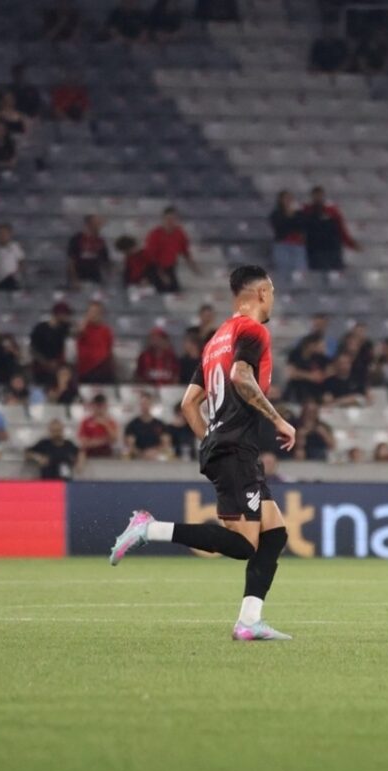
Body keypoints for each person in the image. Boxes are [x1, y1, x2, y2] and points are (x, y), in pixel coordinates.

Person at [108, 265, 297, 641]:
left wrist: (210, 438)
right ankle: (150, 527)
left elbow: (188, 404)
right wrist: (279, 420)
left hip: (226, 446)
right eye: (272, 291)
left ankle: (248, 622)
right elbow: (242, 377)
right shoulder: (253, 330)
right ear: (261, 293)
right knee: (245, 545)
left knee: (274, 534)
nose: (273, 298)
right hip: (236, 448)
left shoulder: (216, 341)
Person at [301, 186, 360, 272]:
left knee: (335, 274)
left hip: (333, 249)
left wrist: (351, 244)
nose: (318, 198)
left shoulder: (332, 211)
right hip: (315, 250)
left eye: (320, 195)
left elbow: (341, 230)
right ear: (312, 197)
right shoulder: (306, 211)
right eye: (316, 195)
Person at [144, 206, 199, 292]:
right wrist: (161, 275)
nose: (171, 221)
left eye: (174, 219)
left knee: (176, 290)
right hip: (155, 269)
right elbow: (150, 258)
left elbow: (185, 252)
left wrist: (194, 268)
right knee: (164, 289)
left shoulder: (179, 233)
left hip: (170, 267)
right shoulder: (155, 235)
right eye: (168, 219)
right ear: (163, 219)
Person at [30, 302, 73, 387]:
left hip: (57, 369)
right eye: (65, 314)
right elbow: (33, 349)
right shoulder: (40, 328)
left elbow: (77, 332)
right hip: (40, 368)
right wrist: (46, 363)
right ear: (58, 314)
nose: (67, 317)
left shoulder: (64, 328)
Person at [269, 190, 307, 280]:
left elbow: (301, 226)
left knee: (300, 271)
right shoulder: (276, 214)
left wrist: (293, 214)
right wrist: (289, 215)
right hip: (282, 245)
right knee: (283, 271)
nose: (288, 201)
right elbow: (279, 227)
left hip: (297, 245)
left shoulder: (299, 214)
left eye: (290, 198)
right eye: (286, 198)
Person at [77, 302, 116, 384]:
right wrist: (85, 321)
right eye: (91, 312)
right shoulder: (84, 328)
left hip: (102, 369)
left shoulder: (106, 330)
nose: (93, 314)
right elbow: (78, 333)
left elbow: (109, 350)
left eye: (96, 312)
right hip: (86, 370)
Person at [67, 215, 110, 287]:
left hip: (95, 280)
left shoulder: (100, 240)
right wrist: (74, 280)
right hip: (79, 280)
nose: (100, 226)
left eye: (99, 224)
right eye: (97, 224)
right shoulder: (76, 239)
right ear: (89, 224)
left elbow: (105, 261)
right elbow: (71, 262)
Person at [124, 392, 170, 459]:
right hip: (138, 459)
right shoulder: (132, 425)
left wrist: (155, 452)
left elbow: (166, 443)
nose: (145, 406)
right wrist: (142, 454)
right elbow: (130, 445)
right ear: (139, 405)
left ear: (151, 405)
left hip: (156, 458)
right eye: (143, 404)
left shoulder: (160, 424)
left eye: (147, 403)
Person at [0, 223, 25, 290]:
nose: (3, 235)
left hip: (12, 280)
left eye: (5, 233)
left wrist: (16, 274)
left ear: (10, 234)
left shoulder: (15, 246)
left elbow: (21, 262)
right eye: (0, 233)